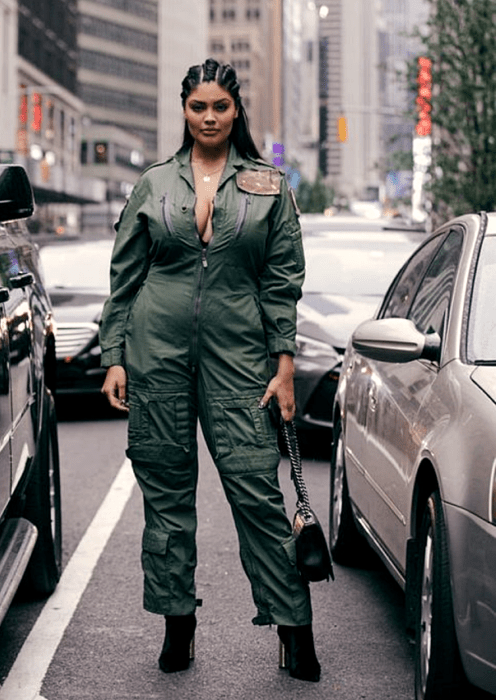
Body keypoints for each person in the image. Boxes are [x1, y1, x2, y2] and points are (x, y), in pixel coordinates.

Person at [100, 58, 320, 682]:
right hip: (157, 356)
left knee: (257, 494)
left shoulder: (268, 185)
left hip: (241, 359)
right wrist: (115, 356)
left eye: (220, 107)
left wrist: (283, 367)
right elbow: (125, 279)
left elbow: (282, 282)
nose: (209, 118)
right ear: (184, 111)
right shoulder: (153, 184)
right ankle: (178, 626)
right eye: (198, 107)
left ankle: (293, 630)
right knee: (167, 500)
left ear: (236, 110)